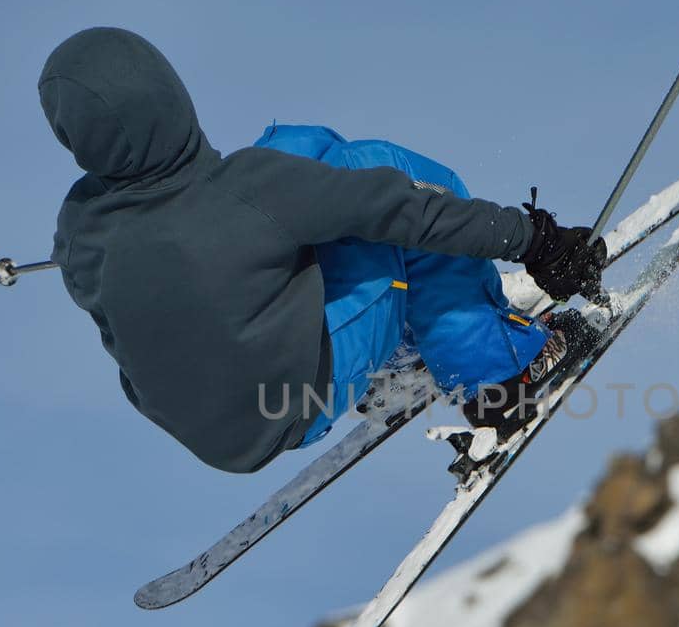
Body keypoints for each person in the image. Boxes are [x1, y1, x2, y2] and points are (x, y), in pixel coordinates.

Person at [40, 27, 606, 473]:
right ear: (168, 95)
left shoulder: (79, 236)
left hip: (215, 431)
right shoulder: (251, 190)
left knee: (306, 153)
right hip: (296, 399)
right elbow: (409, 210)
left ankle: (402, 345)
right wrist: (536, 241)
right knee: (388, 188)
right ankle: (499, 378)